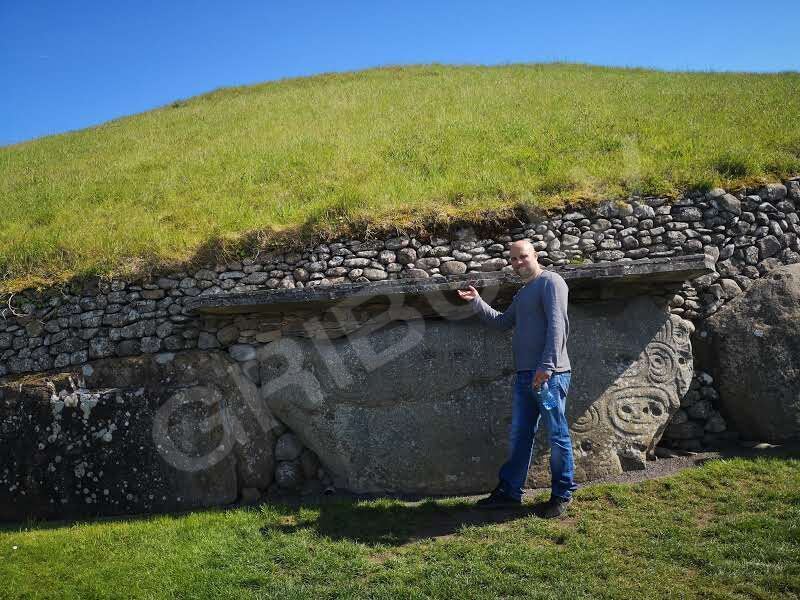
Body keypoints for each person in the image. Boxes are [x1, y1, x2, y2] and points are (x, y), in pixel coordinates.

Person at [457, 239, 576, 518]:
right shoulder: (524, 293)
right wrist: (477, 302)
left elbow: (558, 327)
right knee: (520, 435)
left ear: (535, 255)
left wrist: (546, 366)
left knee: (557, 434)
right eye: (513, 259)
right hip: (526, 376)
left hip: (550, 375)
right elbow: (501, 323)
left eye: (523, 257)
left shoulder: (551, 282)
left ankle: (562, 494)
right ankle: (510, 493)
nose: (518, 263)